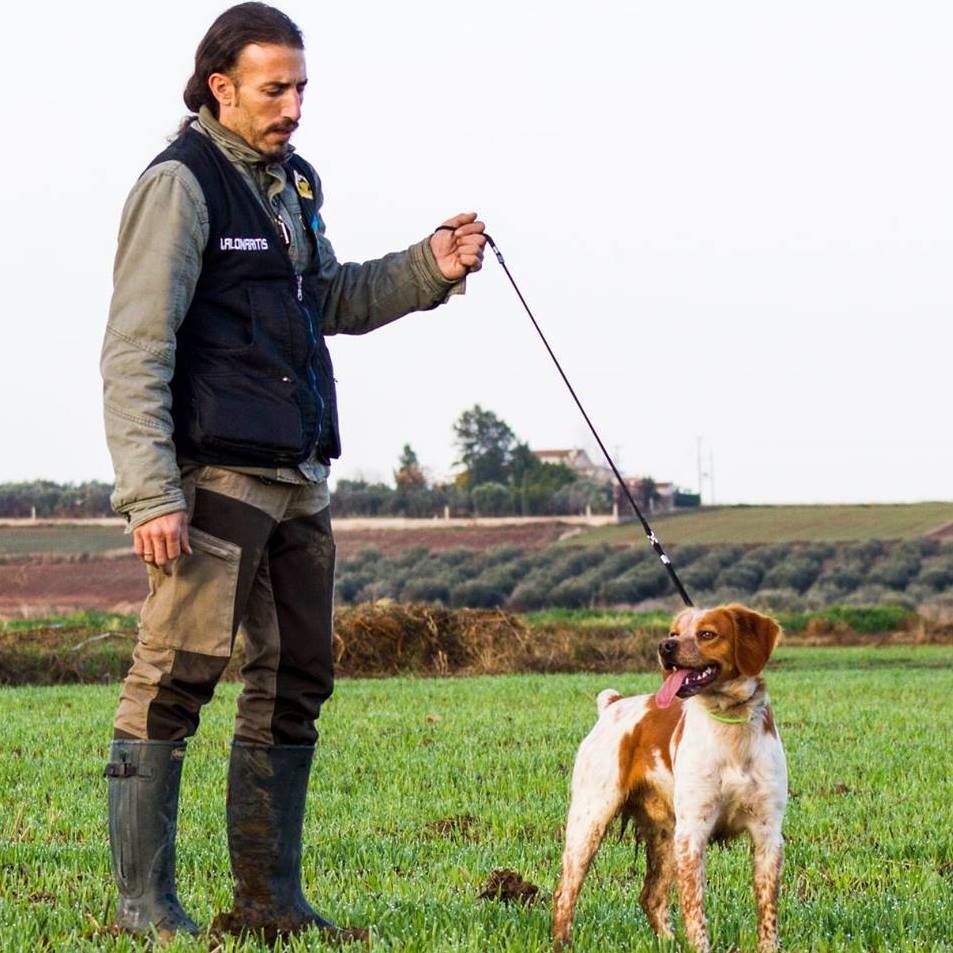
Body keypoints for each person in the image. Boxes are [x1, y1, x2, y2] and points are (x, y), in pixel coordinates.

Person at [99, 2, 486, 943]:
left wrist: (427, 267)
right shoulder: (180, 186)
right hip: (215, 481)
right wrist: (150, 491)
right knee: (175, 677)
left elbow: (329, 300)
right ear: (219, 88)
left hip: (300, 477)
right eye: (275, 88)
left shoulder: (292, 186)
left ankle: (270, 902)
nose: (294, 106)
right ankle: (143, 906)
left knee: (298, 675)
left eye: (302, 86)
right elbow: (135, 346)